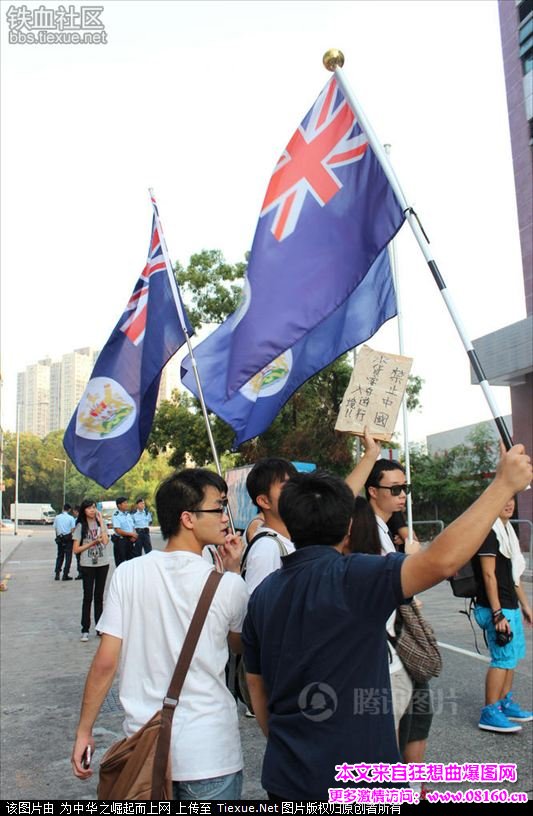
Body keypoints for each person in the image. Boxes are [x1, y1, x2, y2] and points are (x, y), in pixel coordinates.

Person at [242, 445, 531, 801]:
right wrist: (502, 485)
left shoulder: (263, 594)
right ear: (349, 526)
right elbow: (441, 561)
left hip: (287, 778)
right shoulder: (355, 577)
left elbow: (256, 689)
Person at [71, 468, 249, 801]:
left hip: (144, 749)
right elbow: (238, 645)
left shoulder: (129, 574)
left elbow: (105, 662)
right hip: (210, 754)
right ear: (188, 518)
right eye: (219, 506)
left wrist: (84, 730)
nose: (226, 517)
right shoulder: (227, 585)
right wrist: (235, 572)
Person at [472, 496, 533, 733]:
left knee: (512, 657)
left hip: (510, 605)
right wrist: (498, 614)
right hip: (495, 607)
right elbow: (489, 576)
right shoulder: (489, 532)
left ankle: (504, 703)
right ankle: (489, 711)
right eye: (503, 499)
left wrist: (525, 607)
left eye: (511, 500)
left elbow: (513, 577)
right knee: (502, 659)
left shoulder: (507, 532)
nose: (508, 504)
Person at [242, 458, 297, 594]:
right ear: (264, 501)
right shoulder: (267, 547)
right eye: (286, 487)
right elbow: (258, 606)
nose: (296, 491)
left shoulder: (288, 539)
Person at [72, 500, 110, 642]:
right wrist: (92, 543)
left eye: (94, 507)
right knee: (88, 597)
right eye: (88, 508)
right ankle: (85, 629)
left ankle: (100, 627)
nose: (92, 510)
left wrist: (101, 523)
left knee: (99, 597)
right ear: (84, 511)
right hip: (87, 564)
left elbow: (105, 542)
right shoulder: (80, 526)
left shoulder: (102, 523)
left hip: (102, 563)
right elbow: (76, 549)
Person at [111, 496, 138, 566]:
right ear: (119, 505)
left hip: (130, 541)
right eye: (124, 503)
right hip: (121, 541)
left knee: (131, 562)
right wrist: (131, 534)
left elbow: (132, 526)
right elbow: (118, 531)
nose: (126, 505)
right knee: (121, 563)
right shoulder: (116, 515)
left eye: (127, 503)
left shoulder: (128, 514)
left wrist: (134, 535)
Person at [53, 503, 76, 581]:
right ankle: (65, 574)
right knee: (68, 557)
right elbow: (73, 529)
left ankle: (57, 573)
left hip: (60, 538)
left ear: (63, 508)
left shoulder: (57, 517)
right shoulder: (71, 518)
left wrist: (58, 536)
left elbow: (55, 528)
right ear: (69, 510)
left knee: (60, 556)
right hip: (68, 538)